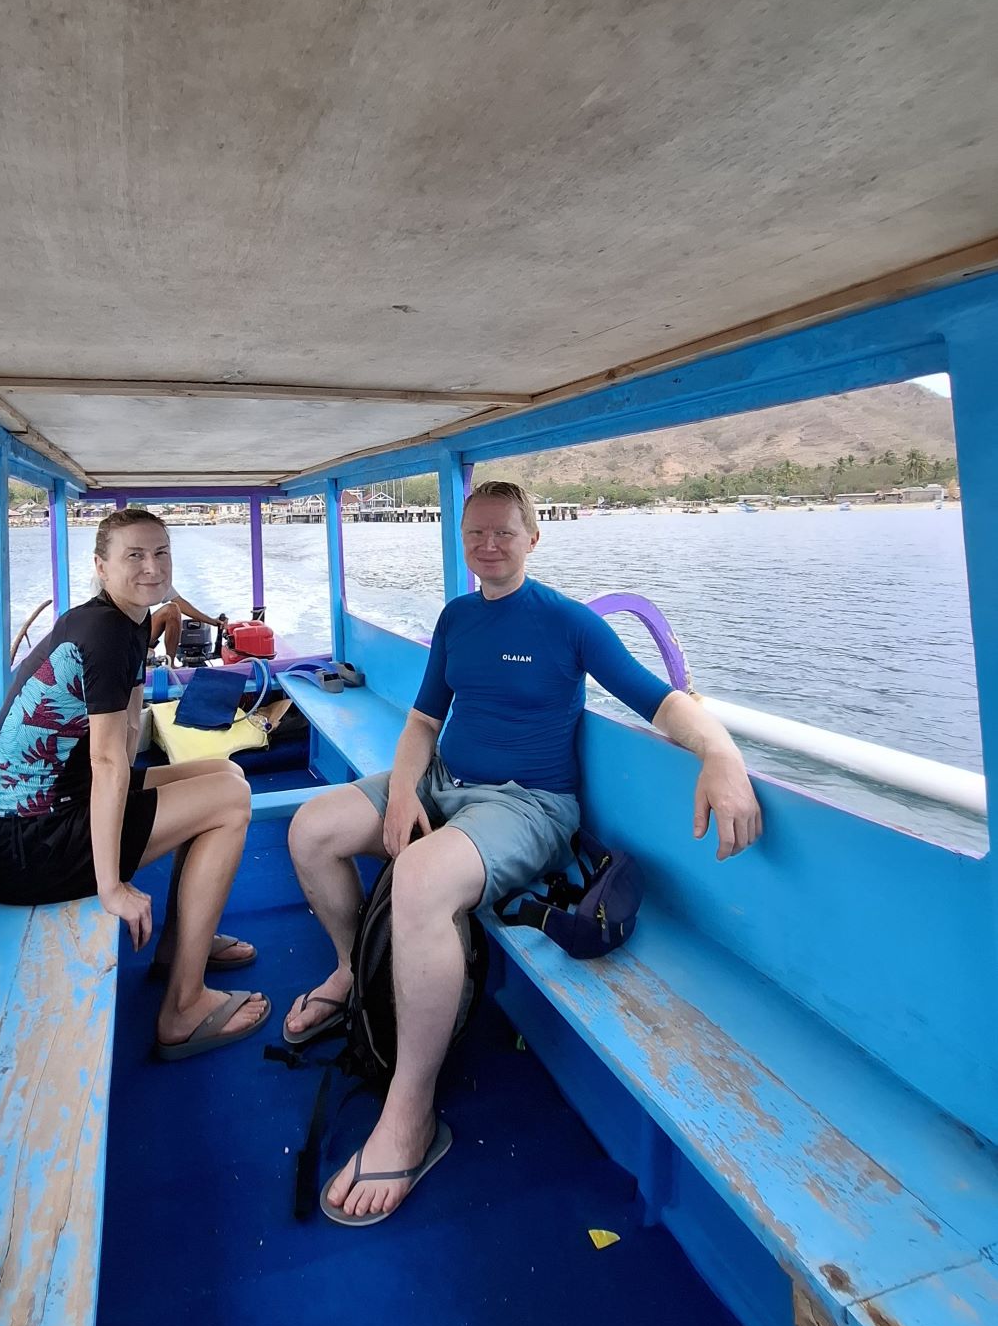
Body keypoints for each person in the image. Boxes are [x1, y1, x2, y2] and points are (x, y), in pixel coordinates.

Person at [284, 479, 761, 1222]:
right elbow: (418, 723)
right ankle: (352, 969)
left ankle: (410, 1113)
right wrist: (408, 790)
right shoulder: (458, 617)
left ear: (533, 539)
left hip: (529, 804)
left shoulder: (569, 624)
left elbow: (659, 701)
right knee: (310, 829)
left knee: (417, 880)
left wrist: (721, 756)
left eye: (504, 532)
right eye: (476, 533)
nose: (488, 545)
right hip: (444, 778)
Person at [0, 507, 271, 1059]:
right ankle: (183, 1007)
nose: (151, 567)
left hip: (53, 811)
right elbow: (109, 765)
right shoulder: (105, 633)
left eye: (161, 552)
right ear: (101, 568)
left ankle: (180, 944)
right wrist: (111, 888)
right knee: (231, 802)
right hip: (27, 844)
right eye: (134, 555)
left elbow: (125, 744)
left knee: (225, 773)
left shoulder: (127, 621)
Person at [148, 590, 228, 666]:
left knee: (172, 609)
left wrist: (213, 622)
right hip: (136, 635)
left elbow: (179, 602)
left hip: (144, 632)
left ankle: (170, 664)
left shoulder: (161, 579)